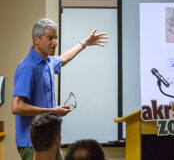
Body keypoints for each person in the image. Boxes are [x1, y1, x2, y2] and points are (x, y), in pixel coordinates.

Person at [11, 18, 108, 160]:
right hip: (33, 142)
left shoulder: (47, 61)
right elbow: (17, 107)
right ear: (36, 40)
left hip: (49, 138)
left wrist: (85, 43)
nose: (55, 42)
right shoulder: (28, 67)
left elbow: (63, 59)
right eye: (50, 38)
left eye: (56, 38)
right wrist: (53, 111)